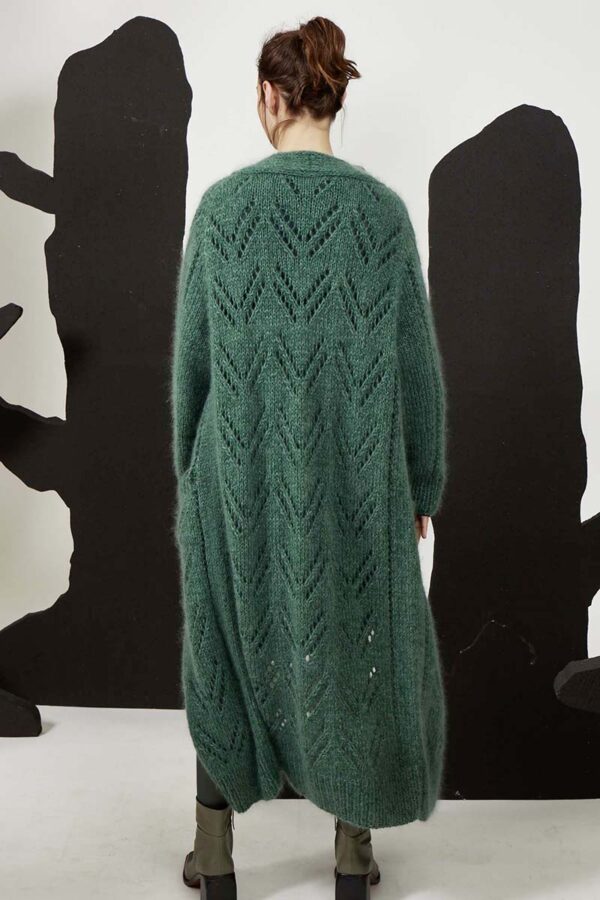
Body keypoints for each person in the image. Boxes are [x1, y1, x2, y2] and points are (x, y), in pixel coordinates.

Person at [171, 15, 448, 899]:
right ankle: (352, 857)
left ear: (271, 96)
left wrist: (192, 474)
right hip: (353, 483)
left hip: (236, 481)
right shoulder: (381, 215)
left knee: (221, 656)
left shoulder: (222, 210)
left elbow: (192, 369)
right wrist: (422, 483)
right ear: (330, 98)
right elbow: (417, 369)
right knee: (355, 645)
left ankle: (216, 859)